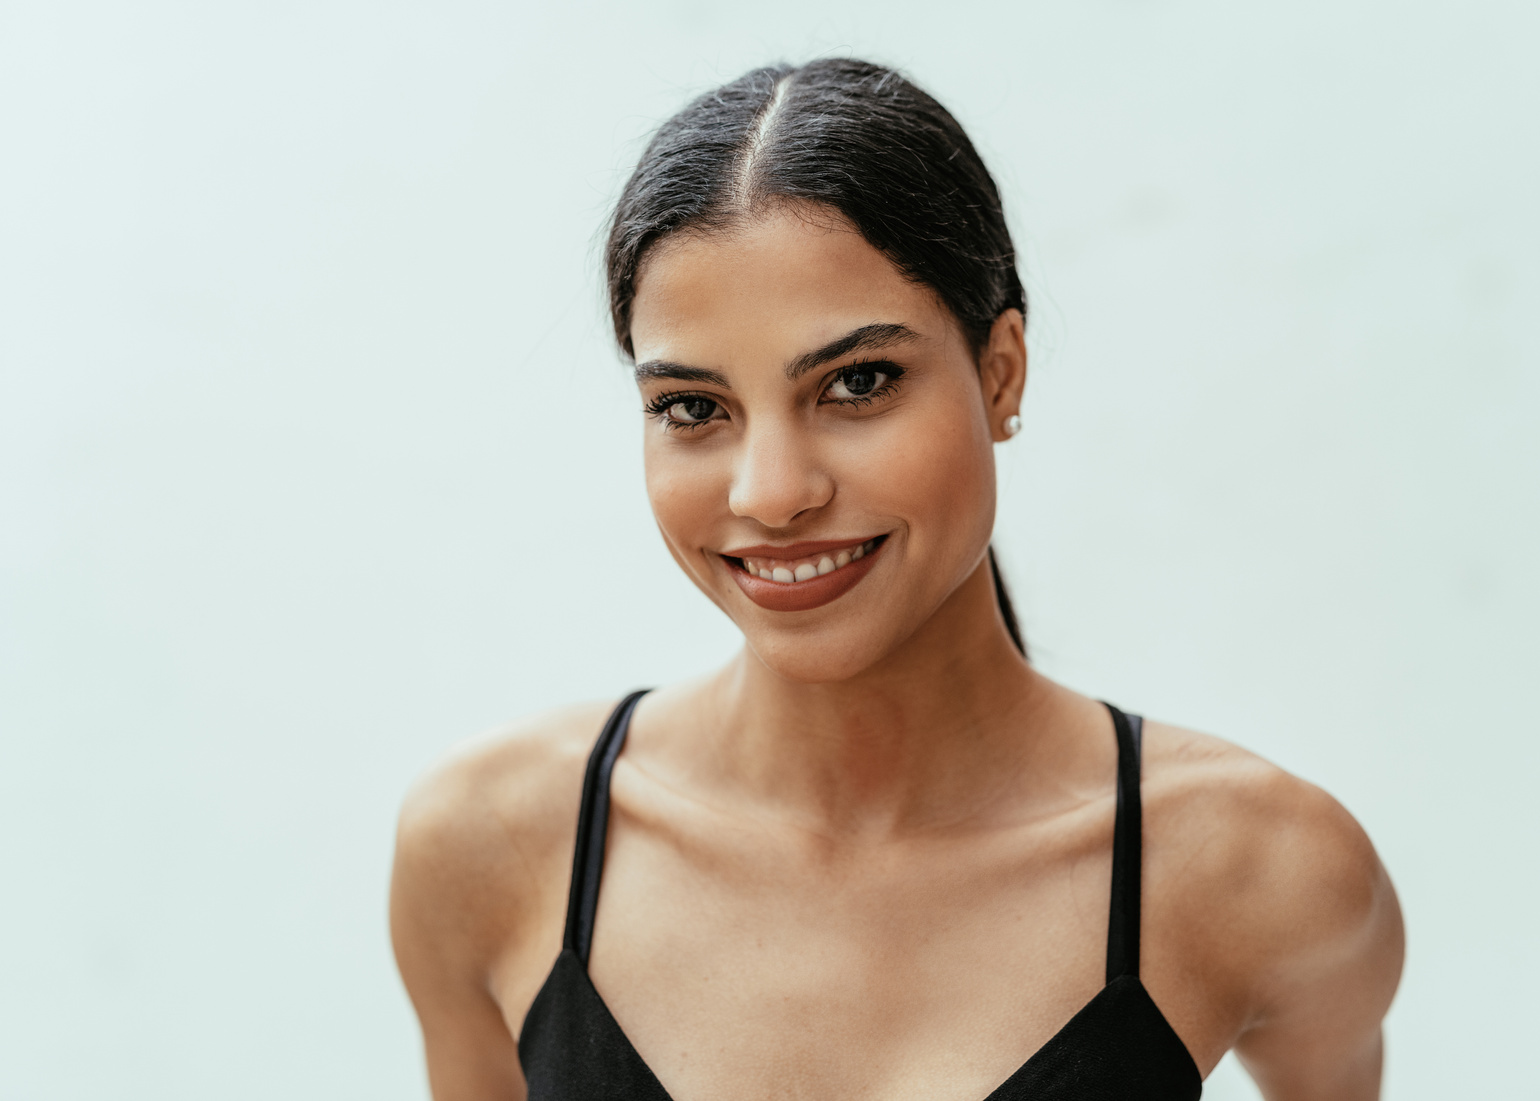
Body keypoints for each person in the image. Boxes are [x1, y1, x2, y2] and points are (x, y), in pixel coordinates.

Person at [390, 58, 1404, 1101]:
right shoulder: (493, 848)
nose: (771, 492)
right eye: (693, 407)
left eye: (856, 383)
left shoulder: (1264, 872)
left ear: (999, 371)